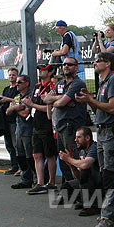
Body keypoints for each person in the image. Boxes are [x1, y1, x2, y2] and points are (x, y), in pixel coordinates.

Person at [76, 52, 114, 227]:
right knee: (109, 173)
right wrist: (89, 100)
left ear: (108, 63)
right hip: (103, 131)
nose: (95, 63)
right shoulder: (103, 82)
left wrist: (90, 99)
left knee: (109, 175)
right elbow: (100, 109)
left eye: (98, 60)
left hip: (112, 131)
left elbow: (112, 108)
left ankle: (107, 215)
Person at [43, 56, 88, 184]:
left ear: (76, 67)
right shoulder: (60, 83)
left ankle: (80, 188)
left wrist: (57, 100)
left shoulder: (78, 83)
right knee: (63, 160)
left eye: (70, 64)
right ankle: (69, 187)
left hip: (72, 127)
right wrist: (62, 98)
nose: (66, 66)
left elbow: (59, 104)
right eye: (64, 64)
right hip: (60, 126)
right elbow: (46, 99)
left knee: (72, 159)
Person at [22, 64, 57, 194]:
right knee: (36, 154)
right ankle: (40, 182)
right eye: (40, 70)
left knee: (49, 154)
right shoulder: (37, 86)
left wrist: (32, 105)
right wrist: (28, 105)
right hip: (36, 124)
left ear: (49, 72)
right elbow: (32, 103)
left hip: (47, 123)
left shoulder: (52, 87)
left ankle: (51, 182)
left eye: (43, 70)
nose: (40, 72)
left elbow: (52, 108)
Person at [59, 127, 102, 217]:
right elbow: (78, 177)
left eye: (78, 137)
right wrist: (70, 165)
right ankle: (84, 200)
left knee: (85, 172)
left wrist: (69, 159)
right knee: (65, 188)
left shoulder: (95, 147)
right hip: (89, 182)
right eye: (75, 137)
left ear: (87, 138)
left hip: (100, 182)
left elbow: (85, 165)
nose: (75, 140)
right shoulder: (82, 151)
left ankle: (93, 206)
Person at [6, 74, 35, 189]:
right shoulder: (17, 97)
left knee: (30, 156)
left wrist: (15, 108)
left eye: (19, 82)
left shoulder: (31, 96)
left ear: (26, 83)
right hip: (19, 130)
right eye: (16, 82)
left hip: (28, 130)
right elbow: (8, 111)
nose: (16, 84)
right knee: (20, 156)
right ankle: (25, 179)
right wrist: (16, 107)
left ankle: (35, 179)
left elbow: (25, 113)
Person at [0, 67, 20, 175]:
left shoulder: (18, 88)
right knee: (9, 145)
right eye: (10, 75)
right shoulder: (6, 89)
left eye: (13, 75)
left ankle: (21, 167)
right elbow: (0, 104)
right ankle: (13, 165)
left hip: (14, 119)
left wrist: (7, 99)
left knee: (16, 145)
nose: (11, 77)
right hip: (5, 120)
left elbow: (19, 100)